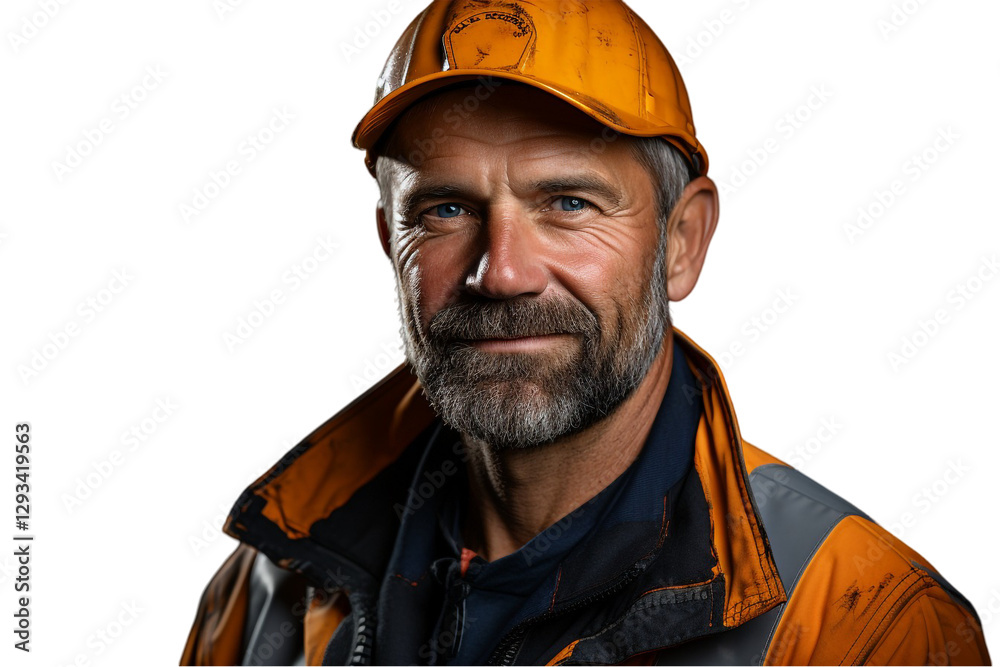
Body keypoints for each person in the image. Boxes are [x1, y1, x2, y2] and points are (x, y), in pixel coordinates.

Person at [181, 1, 991, 664]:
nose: (501, 272)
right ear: (392, 243)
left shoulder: (860, 623)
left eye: (569, 203)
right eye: (446, 210)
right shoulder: (266, 595)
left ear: (681, 242)